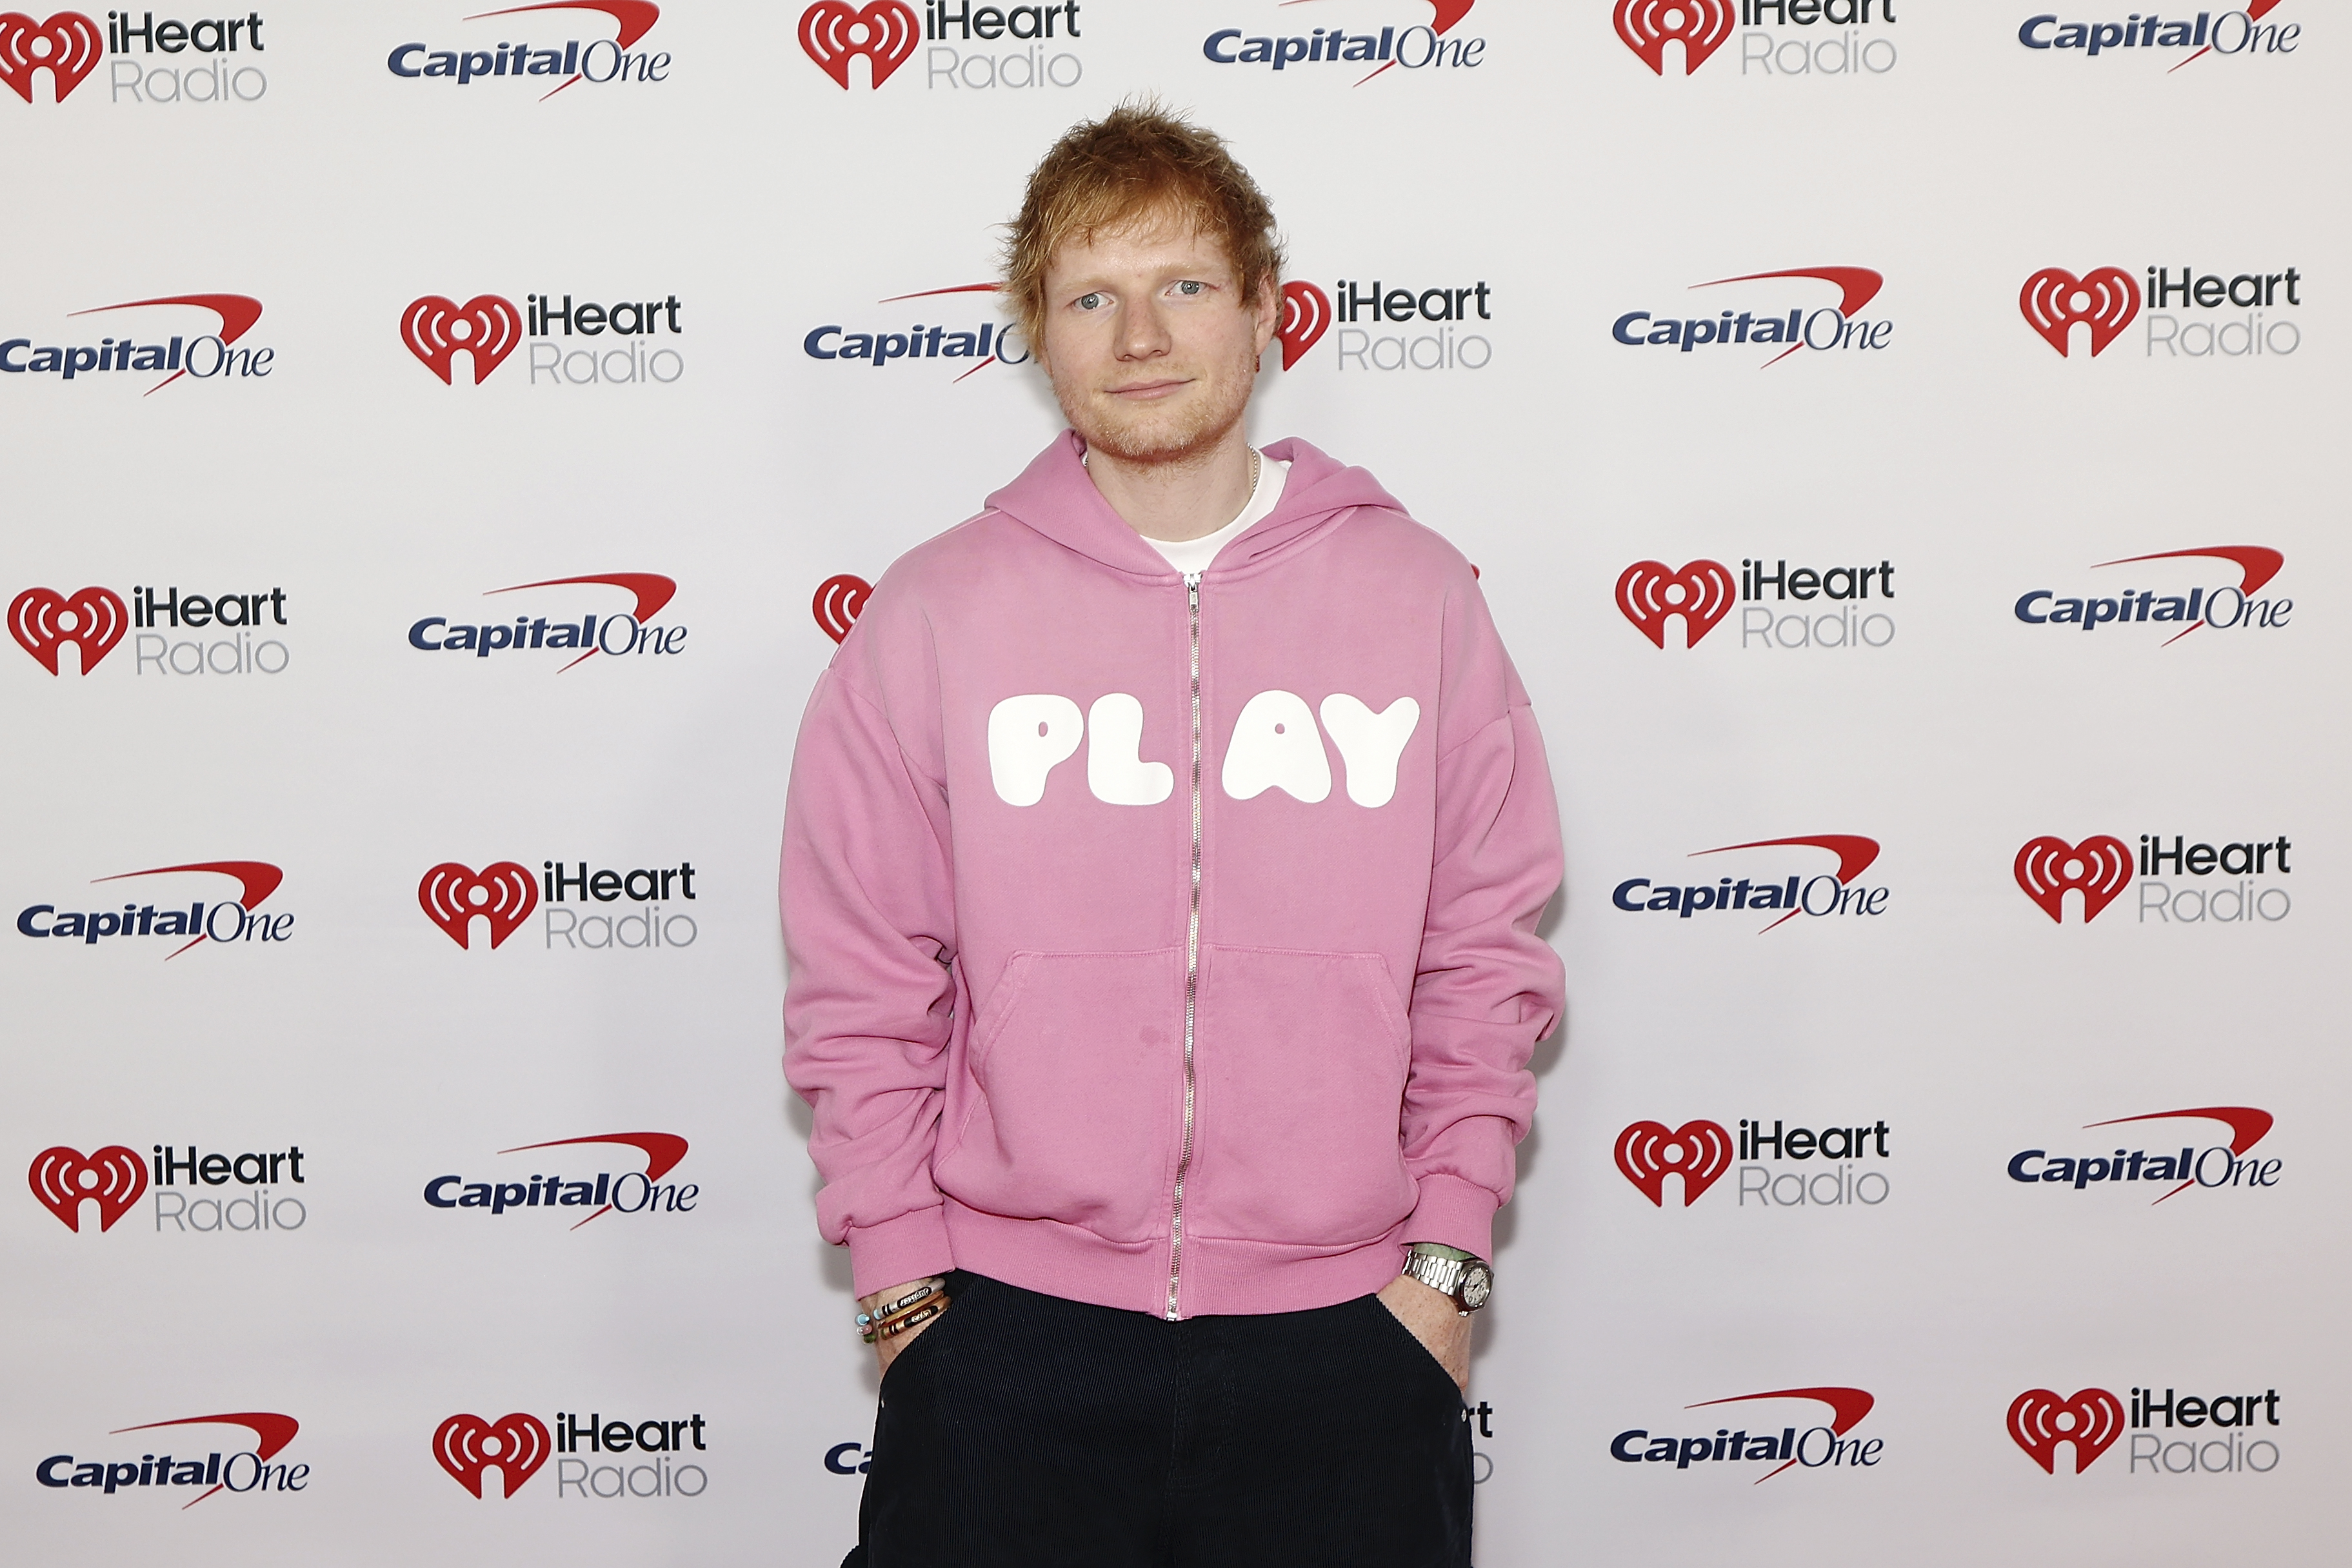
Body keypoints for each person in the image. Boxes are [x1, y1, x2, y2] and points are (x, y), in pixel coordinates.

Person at [782, 101, 1564, 1567]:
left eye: (1183, 285)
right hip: (1007, 1344)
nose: (1140, 334)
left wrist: (1445, 1265)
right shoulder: (936, 613)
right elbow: (859, 978)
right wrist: (903, 1292)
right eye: (1092, 296)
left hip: (1346, 1340)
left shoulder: (1416, 596)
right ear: (1039, 334)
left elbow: (1482, 953)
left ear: (1266, 313)